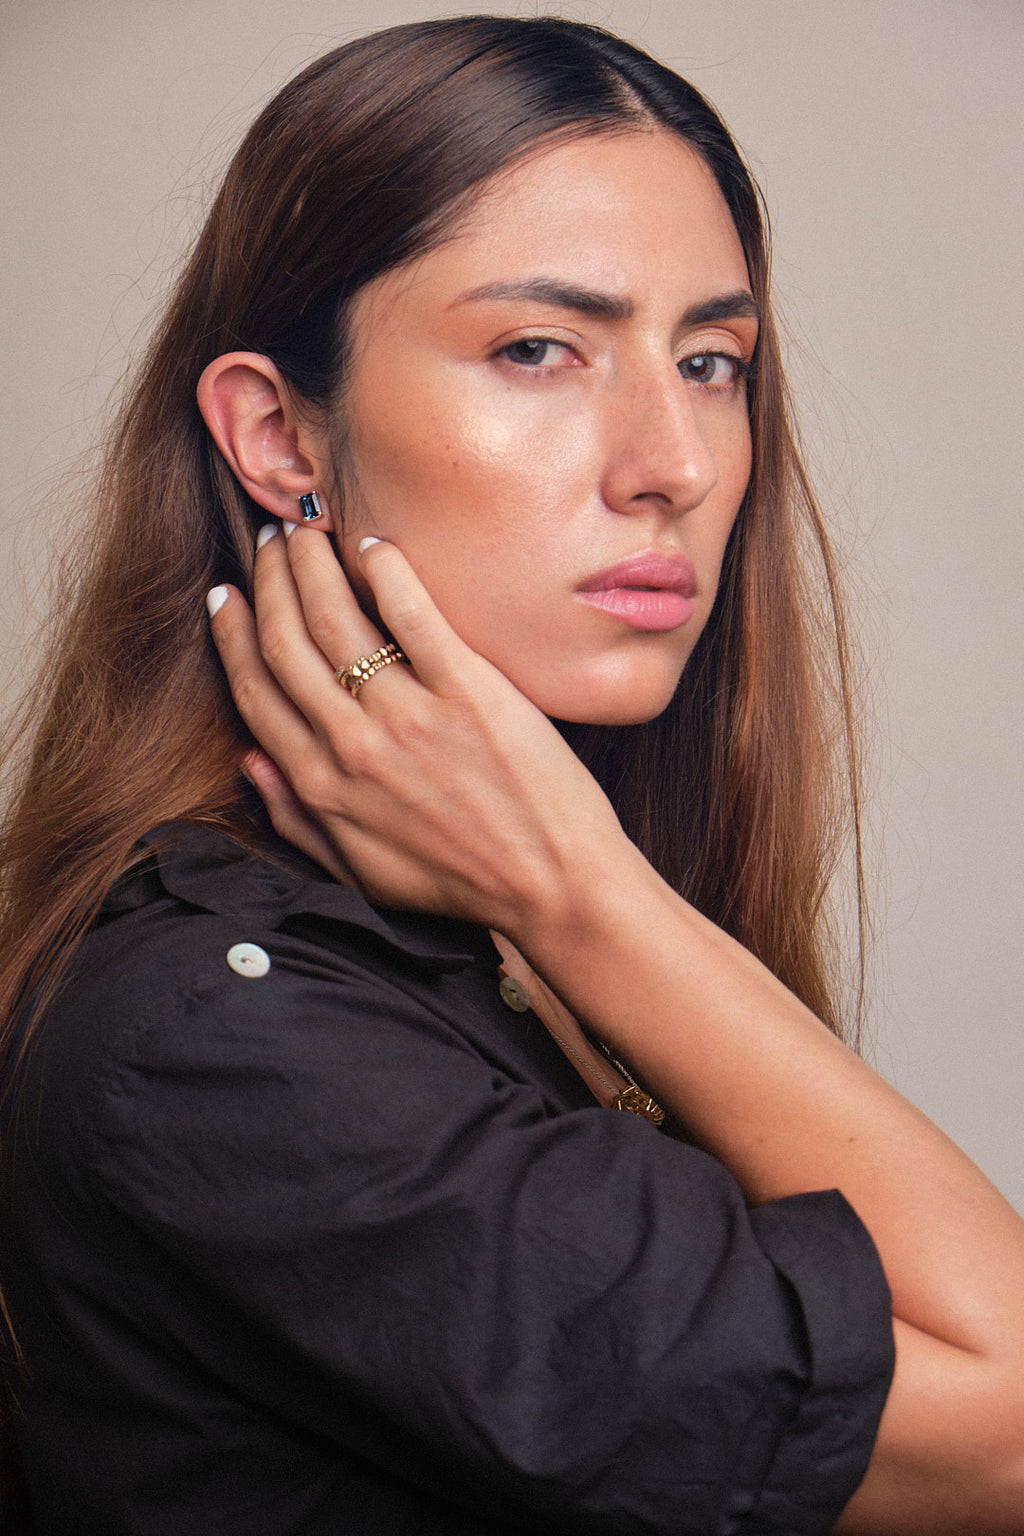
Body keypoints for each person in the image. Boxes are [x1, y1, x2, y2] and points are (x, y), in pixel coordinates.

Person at [0, 16, 1021, 1534]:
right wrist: (580, 885)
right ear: (280, 436)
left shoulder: (474, 948)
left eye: (713, 360)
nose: (670, 458)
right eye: (539, 349)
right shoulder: (223, 1035)